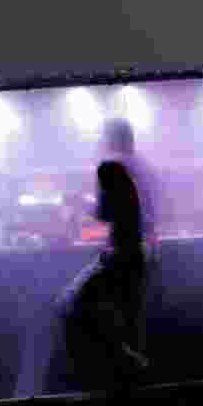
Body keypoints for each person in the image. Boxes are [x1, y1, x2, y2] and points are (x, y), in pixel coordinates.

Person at [55, 117, 158, 386]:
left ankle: (115, 369)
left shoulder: (110, 167)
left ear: (110, 139)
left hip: (122, 254)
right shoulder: (142, 166)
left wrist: (79, 202)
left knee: (69, 304)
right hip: (142, 252)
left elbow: (104, 213)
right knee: (128, 320)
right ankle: (131, 373)